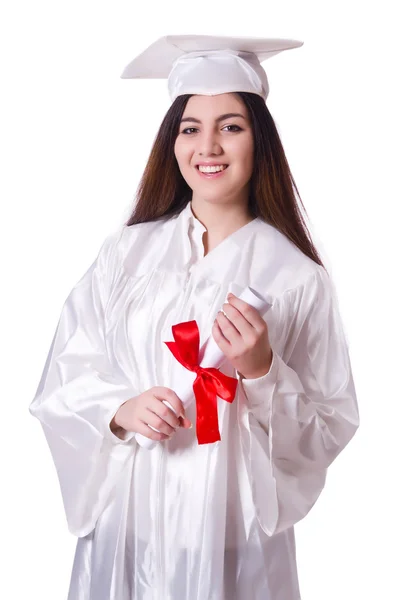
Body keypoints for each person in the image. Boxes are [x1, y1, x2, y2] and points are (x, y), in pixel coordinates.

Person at [29, 35, 359, 600]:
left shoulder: (294, 276)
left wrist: (261, 372)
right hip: (127, 530)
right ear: (172, 143)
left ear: (260, 140)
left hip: (231, 541)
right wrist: (119, 409)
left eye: (231, 126)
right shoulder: (125, 255)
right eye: (190, 128)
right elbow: (65, 373)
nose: (208, 145)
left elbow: (329, 423)